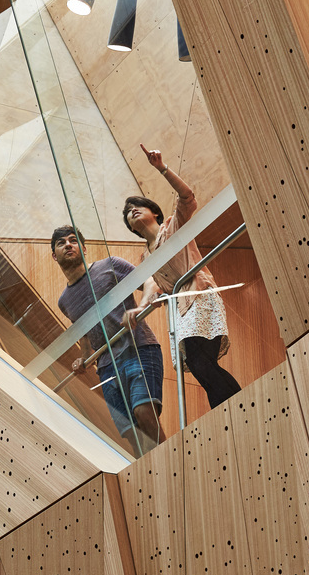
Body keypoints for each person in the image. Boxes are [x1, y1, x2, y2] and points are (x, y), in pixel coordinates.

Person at [122, 145, 241, 411]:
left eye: (138, 206)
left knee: (202, 364)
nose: (133, 210)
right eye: (129, 212)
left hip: (198, 296)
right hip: (180, 312)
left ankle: (238, 407)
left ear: (154, 211)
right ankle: (229, 411)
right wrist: (141, 308)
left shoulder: (173, 225)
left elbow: (187, 197)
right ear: (131, 227)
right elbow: (151, 286)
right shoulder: (146, 258)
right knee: (201, 368)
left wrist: (161, 168)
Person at [51, 224, 166, 455]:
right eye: (61, 243)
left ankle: (173, 466)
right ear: (55, 255)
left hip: (137, 348)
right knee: (132, 435)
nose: (68, 245)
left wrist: (141, 307)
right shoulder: (64, 301)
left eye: (73, 240)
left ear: (84, 248)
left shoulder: (110, 265)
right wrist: (83, 359)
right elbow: (85, 332)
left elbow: (150, 281)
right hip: (106, 368)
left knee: (144, 413)